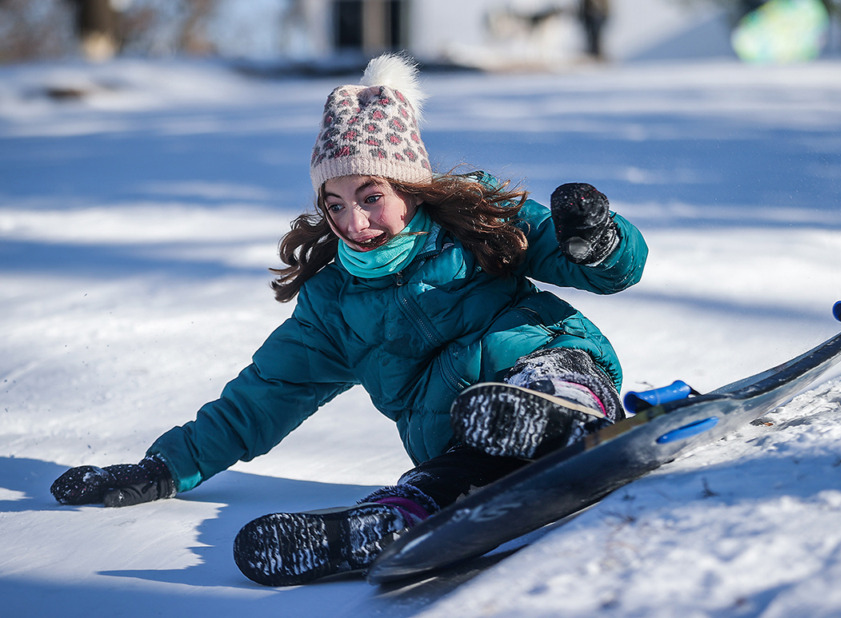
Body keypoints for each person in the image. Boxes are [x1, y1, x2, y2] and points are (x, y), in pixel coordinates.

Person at [49, 54, 648, 586]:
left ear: (410, 187)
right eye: (334, 204)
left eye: (370, 197)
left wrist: (592, 241)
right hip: (457, 430)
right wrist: (166, 467)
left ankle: (557, 414)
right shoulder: (332, 304)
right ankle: (397, 517)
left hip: (552, 363)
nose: (353, 223)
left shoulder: (480, 219)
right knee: (456, 463)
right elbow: (263, 398)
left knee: (542, 375)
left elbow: (612, 273)